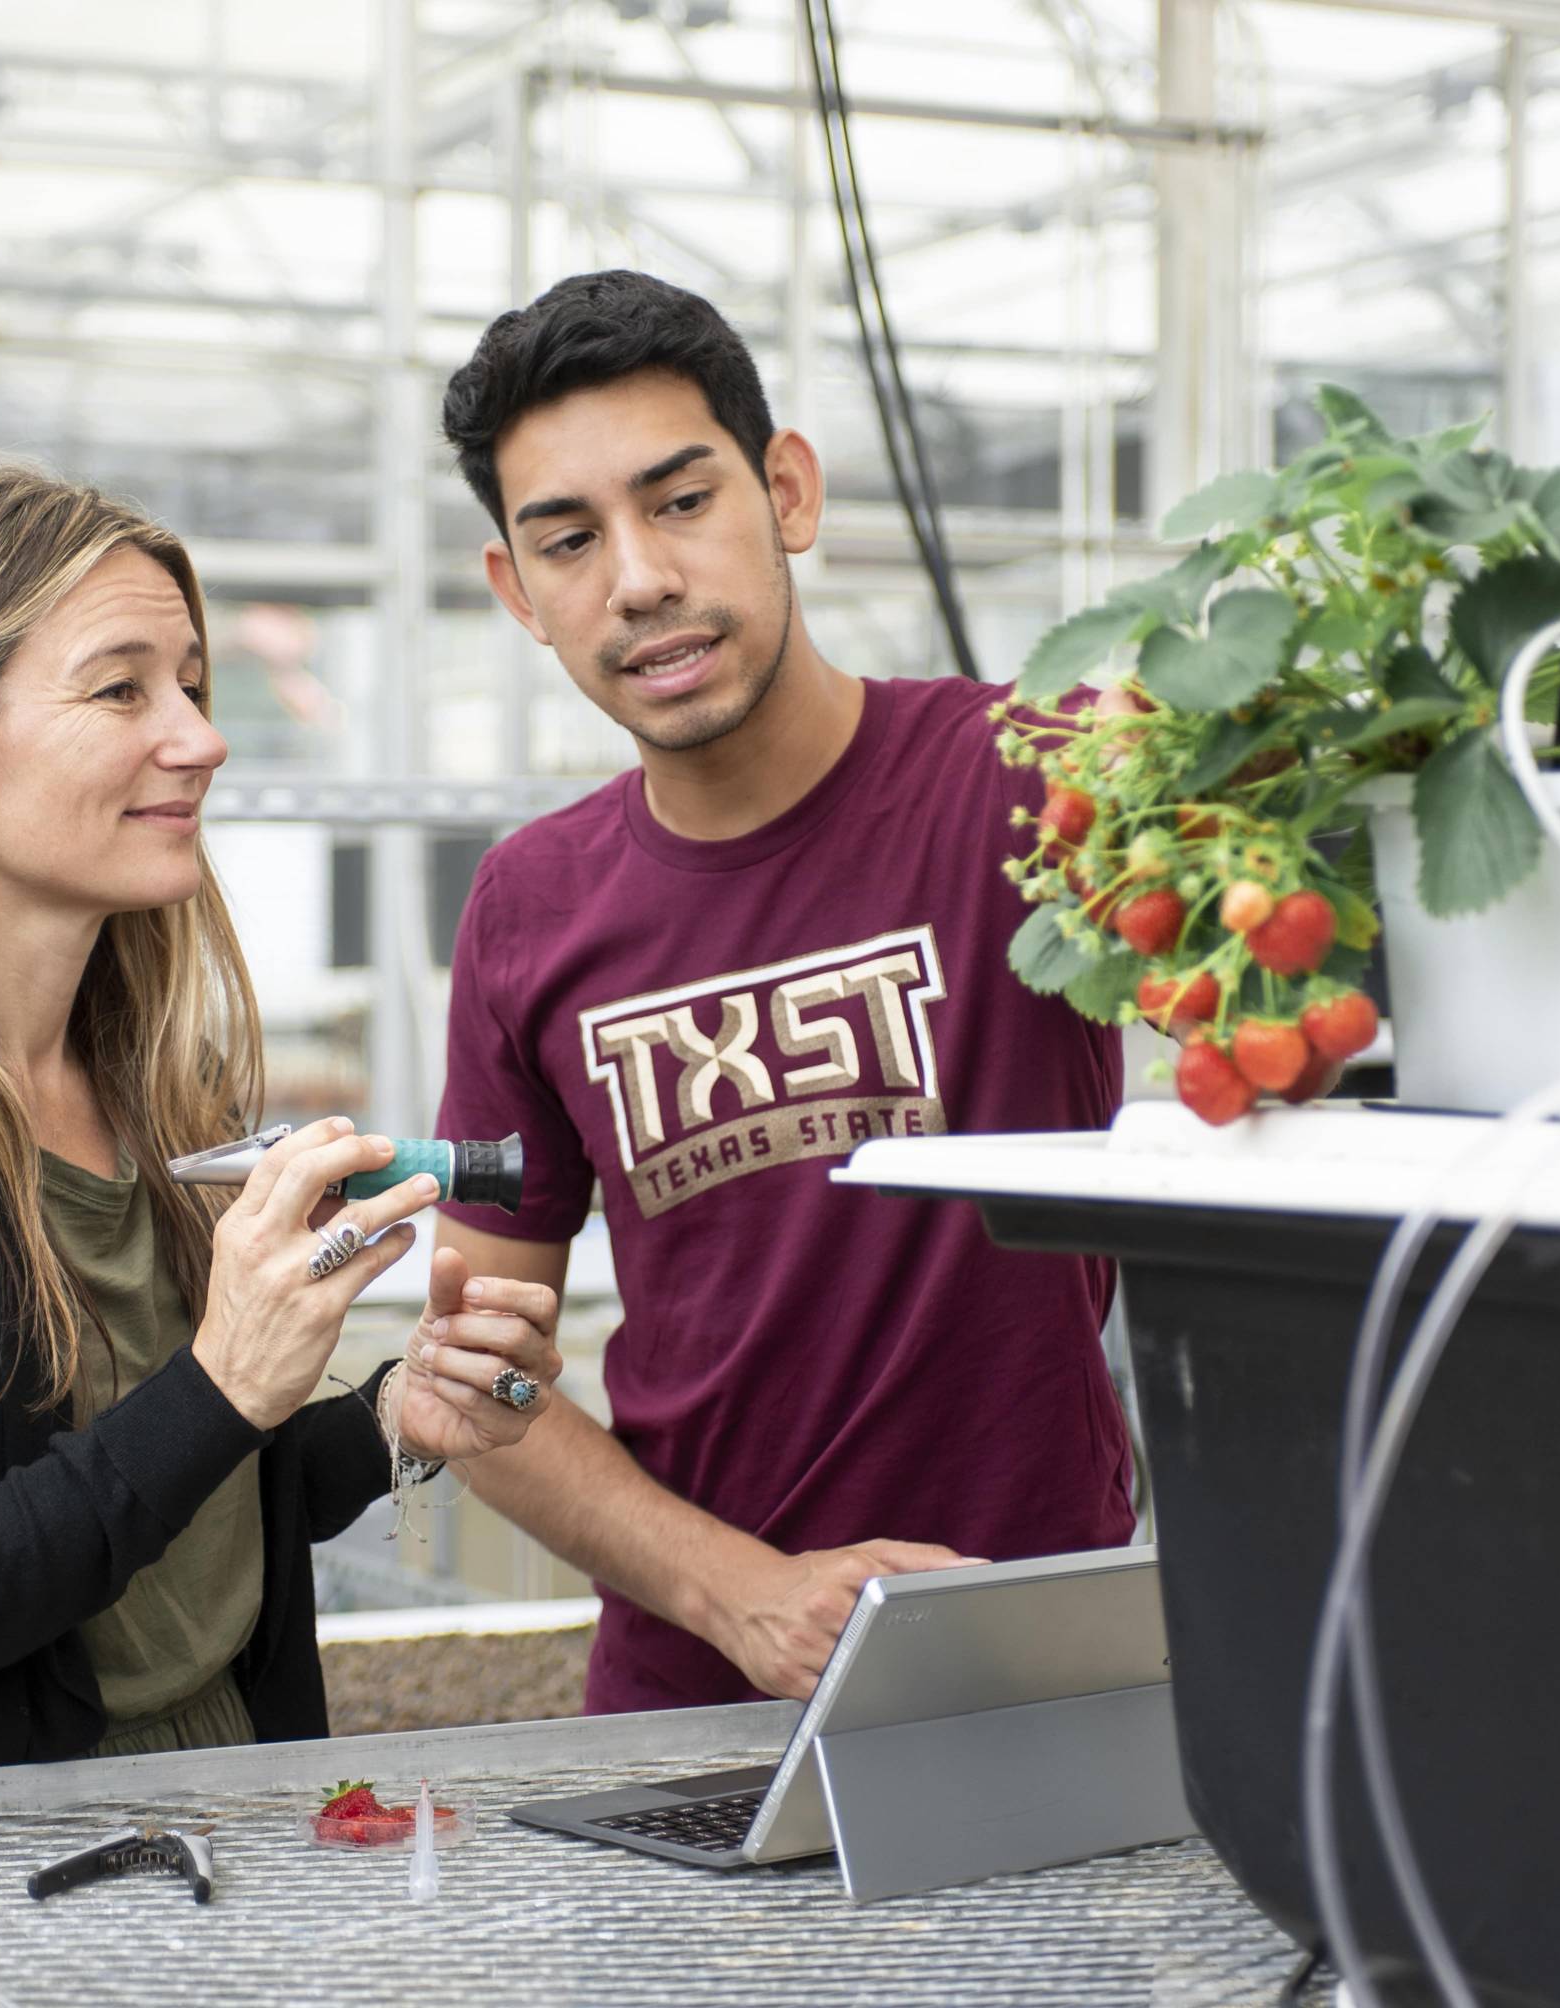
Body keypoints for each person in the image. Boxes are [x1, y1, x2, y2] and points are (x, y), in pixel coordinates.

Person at [0, 465, 563, 2008]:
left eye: (197, 685)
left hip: (230, 1848)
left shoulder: (151, 1091)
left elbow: (173, 1513)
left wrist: (386, 1424)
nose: (200, 737)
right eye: (121, 687)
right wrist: (223, 1379)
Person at [428, 271, 1135, 1715]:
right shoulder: (530, 907)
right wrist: (745, 1601)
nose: (638, 580)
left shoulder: (1032, 778)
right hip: (689, 1712)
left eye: (682, 502)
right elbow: (474, 1389)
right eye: (570, 539)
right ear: (519, 590)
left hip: (1029, 1680)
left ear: (788, 493)